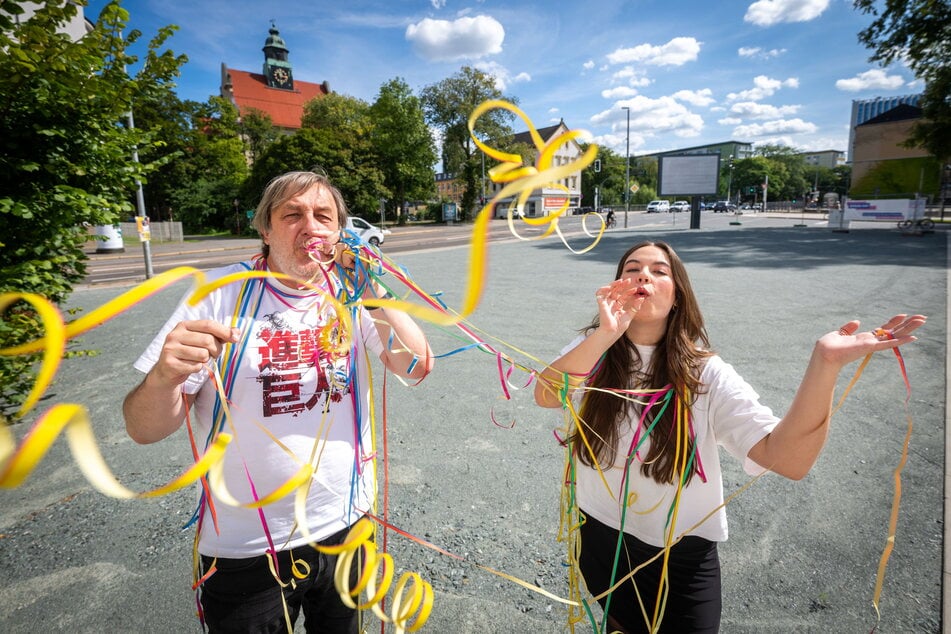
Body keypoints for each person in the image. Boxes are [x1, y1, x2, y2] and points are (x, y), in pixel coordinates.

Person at [533, 240, 925, 634]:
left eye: (659, 270)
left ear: (677, 296)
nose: (643, 276)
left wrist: (825, 363)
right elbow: (546, 394)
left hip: (681, 553)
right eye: (632, 268)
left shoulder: (705, 373)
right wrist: (606, 334)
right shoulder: (593, 348)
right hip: (600, 532)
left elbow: (788, 460)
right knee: (620, 625)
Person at [123, 170, 434, 633]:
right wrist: (164, 377)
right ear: (265, 229)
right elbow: (143, 429)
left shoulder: (351, 296)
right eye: (292, 214)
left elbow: (416, 366)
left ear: (339, 231)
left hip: (346, 523)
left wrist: (370, 287)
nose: (310, 226)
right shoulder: (217, 294)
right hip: (247, 548)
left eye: (323, 216)